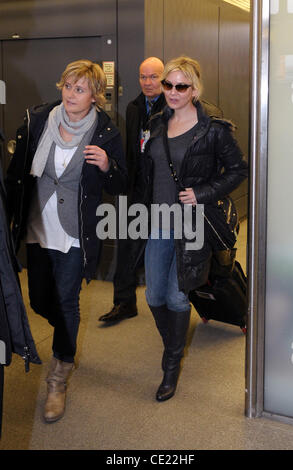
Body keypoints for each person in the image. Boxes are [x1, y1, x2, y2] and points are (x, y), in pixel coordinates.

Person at [5, 59, 127, 422]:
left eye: (79, 89)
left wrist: (107, 166)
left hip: (75, 232)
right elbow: (16, 176)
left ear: (95, 96)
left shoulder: (106, 133)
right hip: (37, 226)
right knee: (41, 299)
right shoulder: (38, 121)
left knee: (68, 302)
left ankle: (58, 376)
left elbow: (121, 185)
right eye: (67, 86)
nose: (70, 94)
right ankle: (66, 340)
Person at [133, 56, 248, 402]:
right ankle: (174, 347)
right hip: (157, 222)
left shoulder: (213, 129)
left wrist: (202, 193)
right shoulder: (155, 123)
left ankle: (170, 366)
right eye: (168, 84)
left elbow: (238, 170)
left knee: (176, 295)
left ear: (194, 89)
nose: (172, 91)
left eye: (180, 86)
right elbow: (148, 172)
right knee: (153, 295)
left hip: (192, 225)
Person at [98, 57, 166, 323]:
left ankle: (172, 306)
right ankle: (124, 303)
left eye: (153, 77)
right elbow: (130, 149)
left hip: (162, 193)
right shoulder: (134, 107)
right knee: (126, 247)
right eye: (143, 76)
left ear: (164, 78)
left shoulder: (172, 107)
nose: (148, 83)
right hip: (136, 190)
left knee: (166, 250)